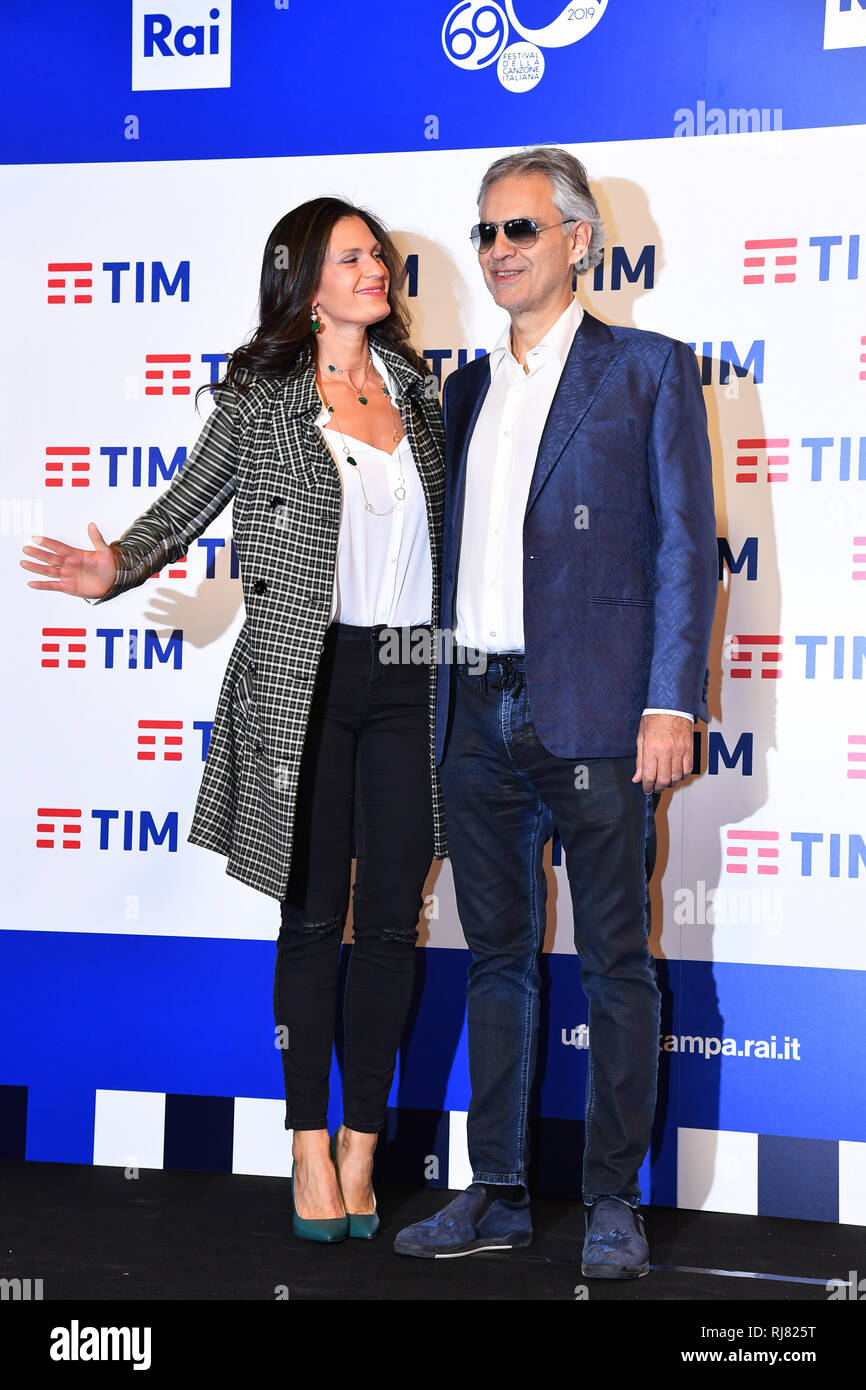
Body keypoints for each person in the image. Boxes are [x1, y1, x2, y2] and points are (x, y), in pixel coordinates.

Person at [20, 197, 446, 1244]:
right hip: (299, 677)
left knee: (392, 920)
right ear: (303, 281)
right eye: (353, 256)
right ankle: (305, 1138)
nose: (377, 269)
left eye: (380, 255)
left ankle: (360, 1142)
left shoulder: (419, 389)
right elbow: (187, 500)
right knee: (309, 918)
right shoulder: (257, 397)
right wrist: (114, 565)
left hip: (412, 676)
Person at [394, 146, 717, 1276]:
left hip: (594, 712)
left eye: (518, 230)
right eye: (484, 232)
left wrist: (669, 699)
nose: (495, 252)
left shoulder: (646, 372)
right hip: (472, 708)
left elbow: (686, 551)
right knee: (495, 959)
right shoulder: (463, 389)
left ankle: (614, 1199)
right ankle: (494, 1191)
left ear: (577, 239)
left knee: (617, 961)